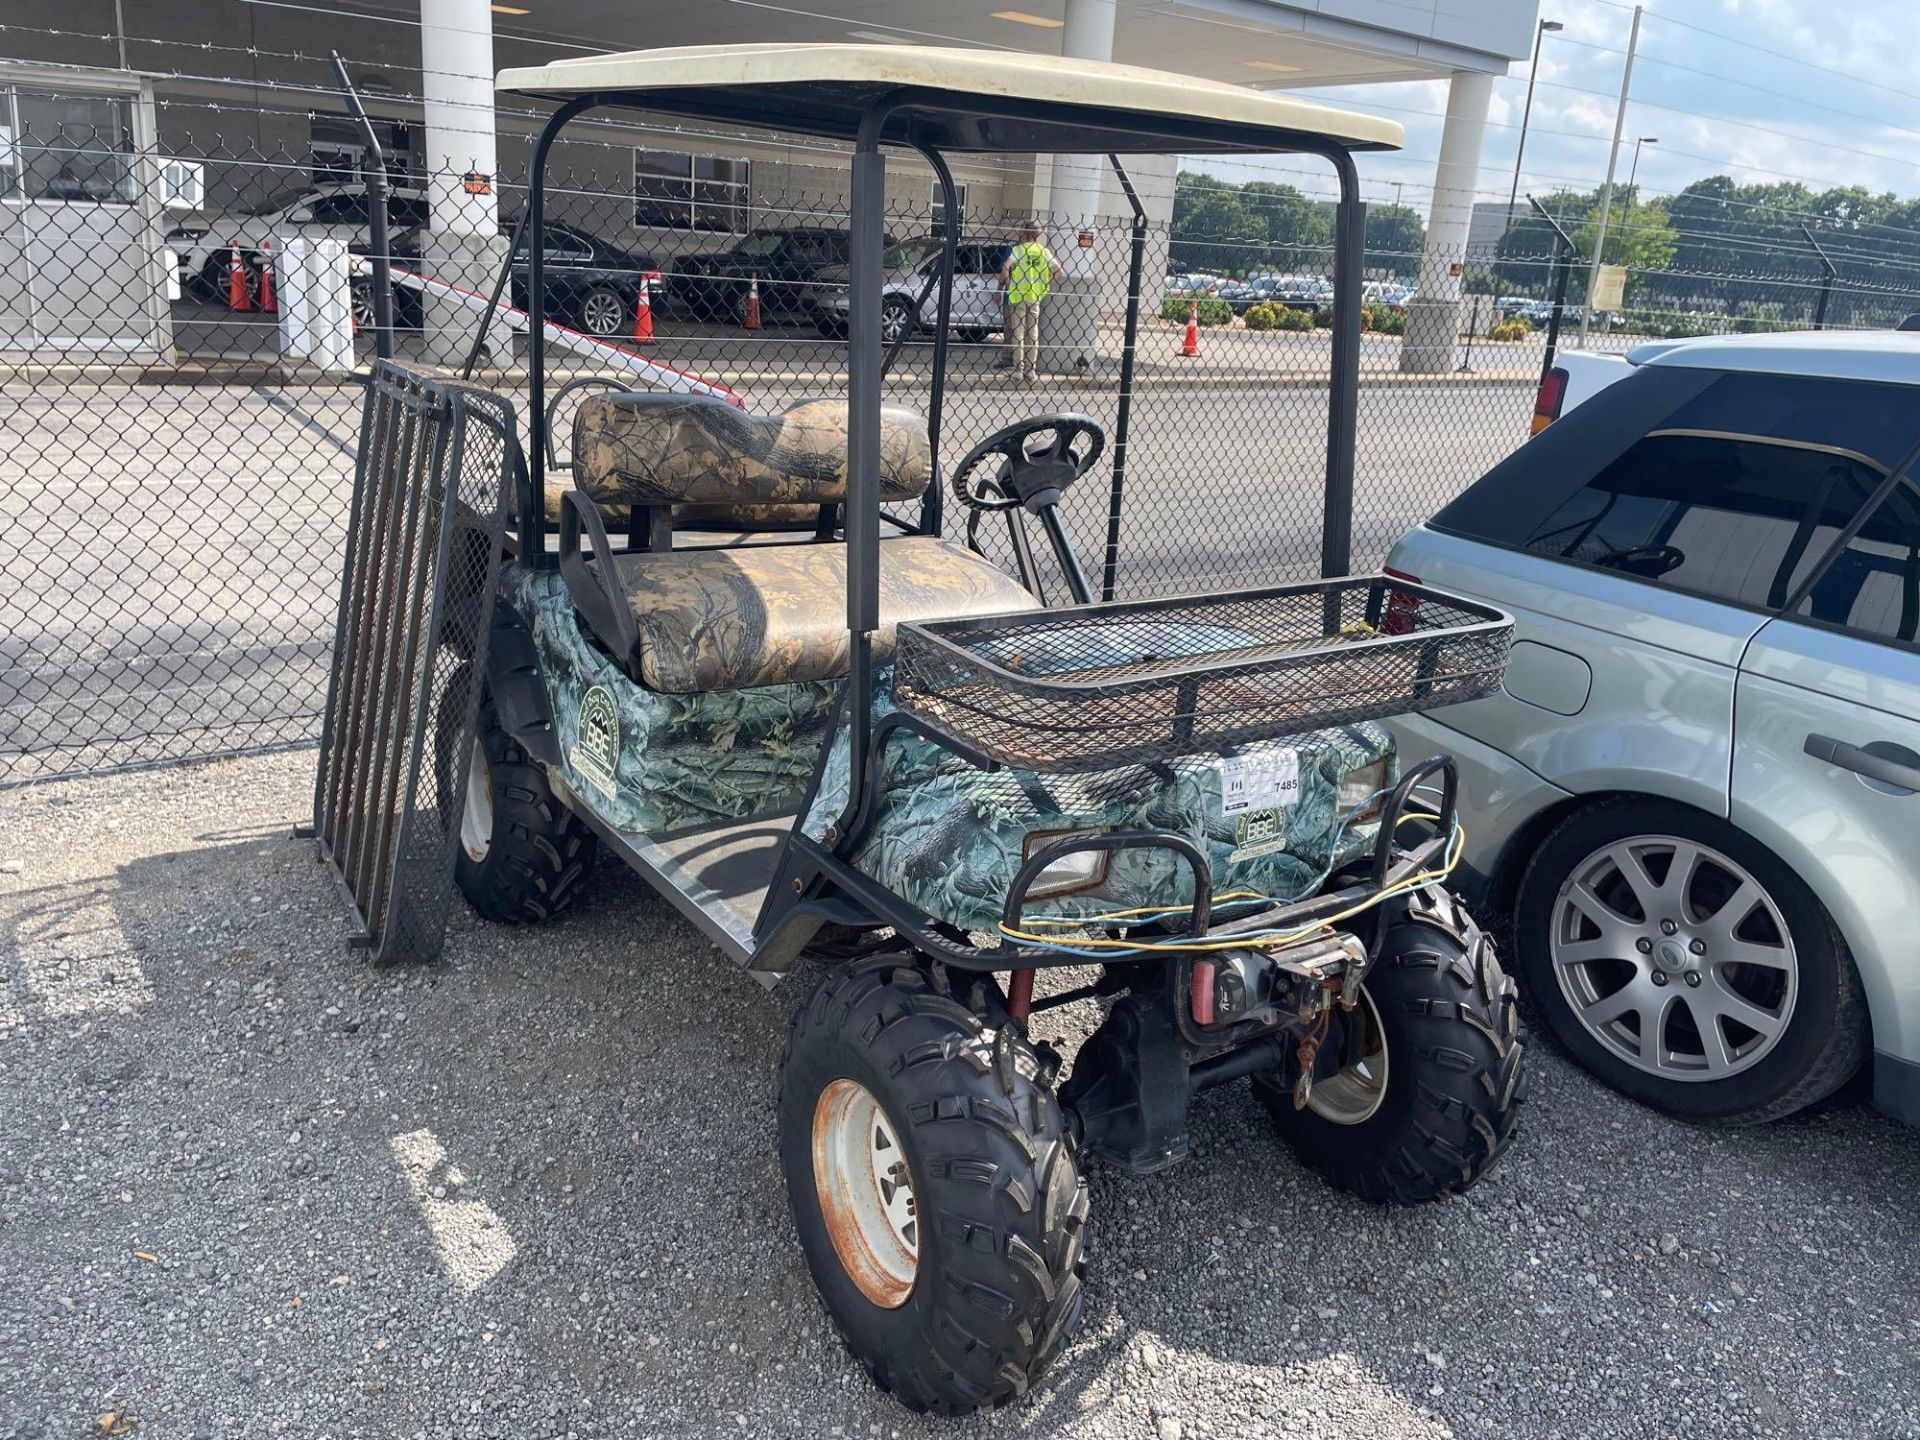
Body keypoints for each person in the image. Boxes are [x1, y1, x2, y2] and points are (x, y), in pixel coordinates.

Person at [998, 220, 1064, 384]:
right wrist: (1046, 282)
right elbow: (1059, 271)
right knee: (1032, 334)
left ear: (1025, 233)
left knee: (1018, 334)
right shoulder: (1044, 251)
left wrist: (1007, 281)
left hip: (1017, 295)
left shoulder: (1018, 250)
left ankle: (1018, 370)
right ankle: (1030, 370)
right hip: (1035, 296)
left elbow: (1006, 267)